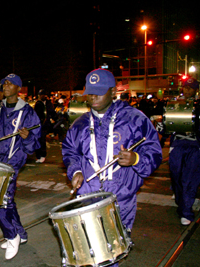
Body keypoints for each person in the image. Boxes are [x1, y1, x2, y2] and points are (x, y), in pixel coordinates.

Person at [62, 69, 162, 262]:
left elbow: (153, 151)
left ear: (113, 92)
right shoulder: (80, 123)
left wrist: (136, 160)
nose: (93, 96)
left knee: (107, 255)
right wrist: (75, 170)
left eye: (99, 91)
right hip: (87, 197)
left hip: (120, 199)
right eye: (90, 92)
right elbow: (70, 151)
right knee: (82, 253)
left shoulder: (135, 119)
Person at [0, 73, 41, 260]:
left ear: (18, 89)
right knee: (6, 200)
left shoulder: (28, 113)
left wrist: (27, 138)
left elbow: (34, 145)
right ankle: (20, 233)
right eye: (4, 84)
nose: (5, 86)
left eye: (9, 84)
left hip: (13, 162)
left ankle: (10, 234)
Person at [167, 78, 200, 225]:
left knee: (190, 179)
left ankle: (186, 212)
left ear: (196, 90)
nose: (187, 90)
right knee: (176, 176)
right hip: (178, 144)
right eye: (185, 87)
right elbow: (167, 124)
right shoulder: (175, 103)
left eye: (190, 88)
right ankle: (181, 200)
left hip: (194, 145)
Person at [34, 89, 55, 163]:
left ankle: (42, 155)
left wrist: (53, 120)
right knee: (37, 139)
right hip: (37, 124)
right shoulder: (37, 103)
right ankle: (38, 156)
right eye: (40, 95)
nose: (41, 96)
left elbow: (52, 112)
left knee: (42, 140)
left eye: (42, 95)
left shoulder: (48, 103)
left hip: (45, 124)